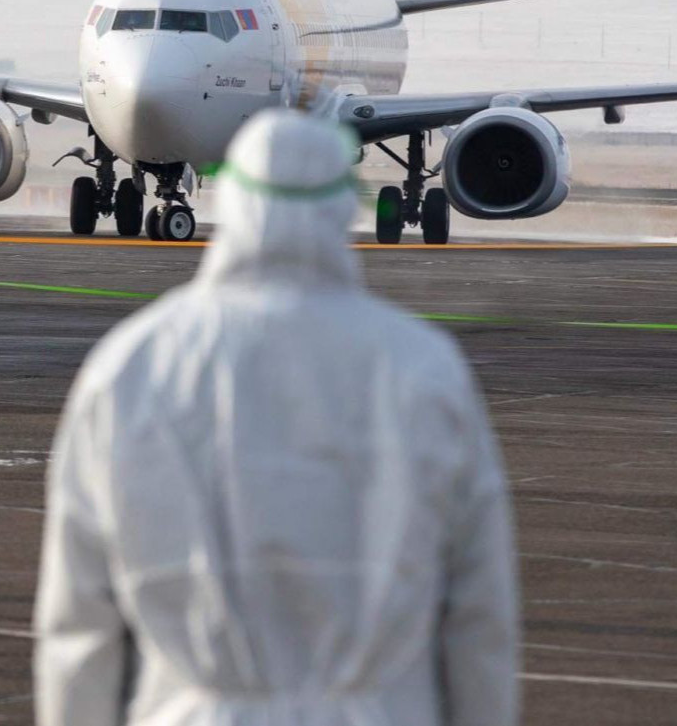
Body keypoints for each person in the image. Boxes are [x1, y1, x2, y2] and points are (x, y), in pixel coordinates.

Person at [34, 110, 518, 726]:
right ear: (343, 205)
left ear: (231, 198)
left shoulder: (130, 364)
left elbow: (78, 625)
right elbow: (480, 621)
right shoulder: (423, 366)